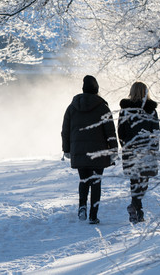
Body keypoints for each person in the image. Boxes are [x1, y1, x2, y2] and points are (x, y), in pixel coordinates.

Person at [62, 75, 118, 225]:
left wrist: (66, 149)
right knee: (96, 182)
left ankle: (82, 206)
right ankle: (93, 215)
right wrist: (114, 150)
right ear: (97, 89)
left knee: (83, 180)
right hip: (98, 152)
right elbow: (110, 132)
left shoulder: (72, 107)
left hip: (79, 151)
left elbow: (65, 130)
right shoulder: (102, 107)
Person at [118, 82, 160, 223]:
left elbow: (121, 131)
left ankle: (137, 208)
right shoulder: (151, 110)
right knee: (144, 180)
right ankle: (136, 208)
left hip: (131, 149)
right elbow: (155, 131)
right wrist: (154, 148)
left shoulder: (125, 110)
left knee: (134, 180)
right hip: (147, 149)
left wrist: (125, 145)